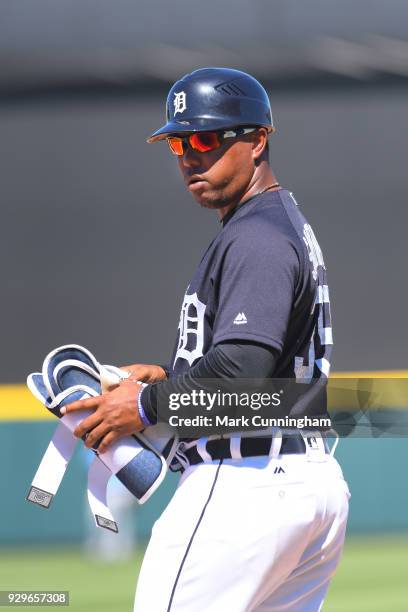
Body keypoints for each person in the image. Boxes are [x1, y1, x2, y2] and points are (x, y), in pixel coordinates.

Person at [61, 67, 350, 611]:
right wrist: (169, 379)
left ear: (258, 139)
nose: (191, 155)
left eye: (206, 138)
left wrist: (146, 405)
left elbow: (241, 375)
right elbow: (261, 375)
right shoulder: (274, 225)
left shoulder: (257, 236)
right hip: (301, 482)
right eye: (178, 143)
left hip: (247, 484)